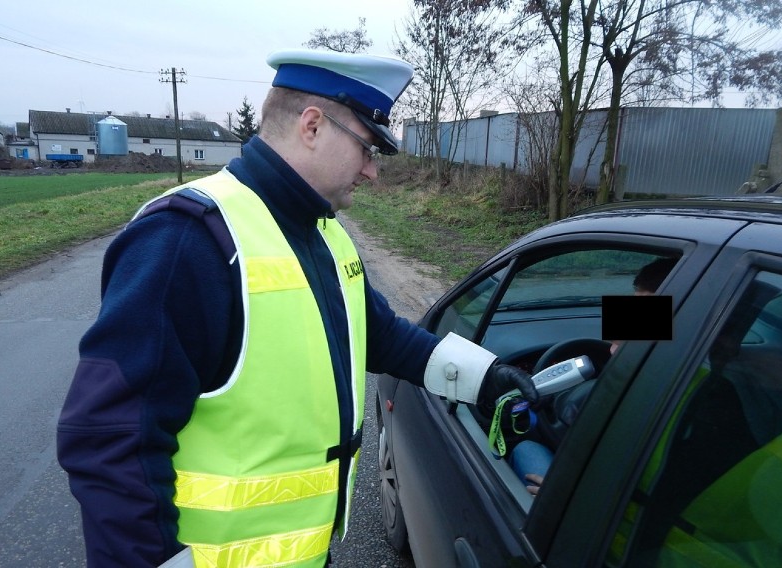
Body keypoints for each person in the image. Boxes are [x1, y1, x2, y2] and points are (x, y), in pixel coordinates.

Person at [56, 49, 539, 568]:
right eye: (368, 149)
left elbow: (379, 334)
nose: (373, 172)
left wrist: (485, 378)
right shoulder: (187, 240)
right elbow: (109, 439)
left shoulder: (324, 233)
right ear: (312, 125)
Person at [510, 256, 679, 495]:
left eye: (645, 317)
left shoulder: (664, 396)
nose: (616, 336)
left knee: (525, 449)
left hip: (614, 519)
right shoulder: (688, 375)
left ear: (680, 325)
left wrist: (575, 495)